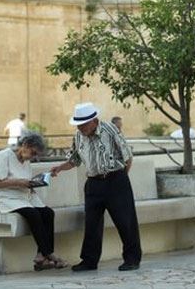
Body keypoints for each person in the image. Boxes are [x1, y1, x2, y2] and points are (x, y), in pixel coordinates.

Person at [50, 102, 141, 272]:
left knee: (125, 221)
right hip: (93, 183)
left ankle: (132, 259)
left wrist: (120, 179)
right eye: (78, 124)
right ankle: (89, 261)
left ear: (94, 121)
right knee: (92, 223)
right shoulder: (78, 136)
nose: (81, 127)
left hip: (115, 180)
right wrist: (60, 168)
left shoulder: (110, 129)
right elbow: (75, 159)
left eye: (84, 124)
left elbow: (127, 156)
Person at [0, 132, 66, 271]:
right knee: (33, 214)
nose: (33, 157)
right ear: (25, 145)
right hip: (6, 198)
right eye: (33, 152)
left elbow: (25, 180)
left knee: (48, 213)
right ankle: (49, 254)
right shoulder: (4, 156)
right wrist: (18, 182)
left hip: (23, 196)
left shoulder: (26, 161)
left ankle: (41, 256)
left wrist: (34, 183)